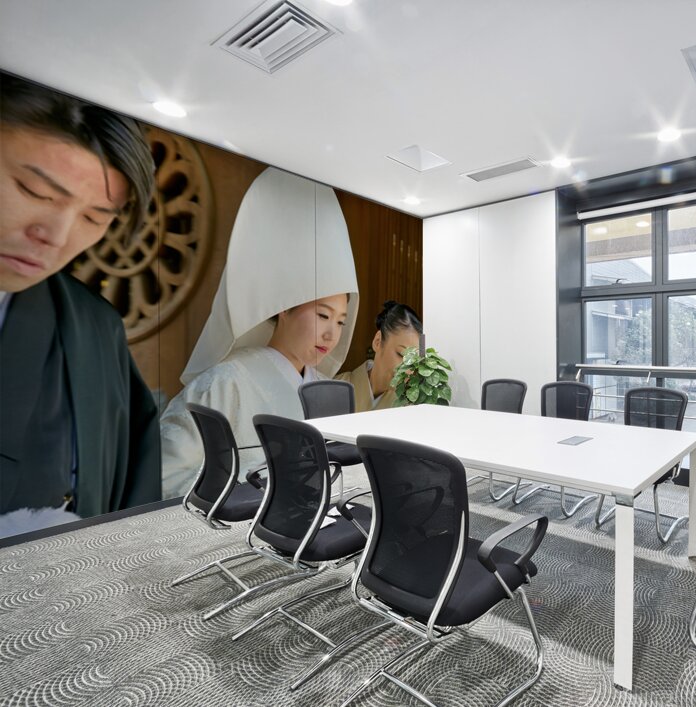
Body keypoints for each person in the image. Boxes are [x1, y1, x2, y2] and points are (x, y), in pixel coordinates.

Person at [0, 75, 161, 537]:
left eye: (94, 218)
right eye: (35, 192)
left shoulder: (93, 324)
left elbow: (130, 479)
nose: (55, 234)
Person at [159, 168, 359, 498]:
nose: (331, 334)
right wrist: (250, 497)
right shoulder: (226, 382)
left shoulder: (323, 388)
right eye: (323, 315)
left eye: (340, 321)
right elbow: (168, 471)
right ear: (285, 306)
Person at [337, 300, 422, 412]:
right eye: (401, 354)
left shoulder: (409, 406)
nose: (407, 370)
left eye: (413, 362)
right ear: (377, 341)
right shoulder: (334, 388)